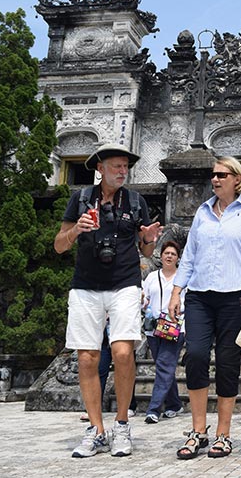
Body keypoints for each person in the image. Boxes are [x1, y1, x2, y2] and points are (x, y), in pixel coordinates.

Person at [54, 143, 163, 458]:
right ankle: (96, 429)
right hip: (86, 285)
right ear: (99, 169)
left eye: (125, 167)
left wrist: (148, 239)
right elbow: (60, 246)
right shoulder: (81, 199)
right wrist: (77, 229)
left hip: (125, 283)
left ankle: (122, 424)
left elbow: (145, 252)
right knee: (87, 357)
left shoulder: (136, 202)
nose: (122, 171)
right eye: (116, 166)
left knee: (123, 351)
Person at [168, 156, 241, 460]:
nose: (215, 179)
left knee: (227, 362)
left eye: (221, 175)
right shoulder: (202, 212)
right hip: (199, 294)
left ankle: (223, 434)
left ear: (236, 179)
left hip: (235, 296)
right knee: (196, 355)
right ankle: (198, 430)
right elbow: (190, 255)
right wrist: (176, 290)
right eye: (213, 175)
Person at [142, 241, 185, 424]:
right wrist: (144, 303)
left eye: (173, 254)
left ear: (177, 258)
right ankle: (174, 404)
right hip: (153, 328)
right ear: (161, 256)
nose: (169, 256)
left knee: (164, 364)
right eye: (166, 253)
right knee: (164, 367)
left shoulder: (183, 279)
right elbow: (144, 299)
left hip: (173, 327)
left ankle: (154, 409)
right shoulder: (152, 277)